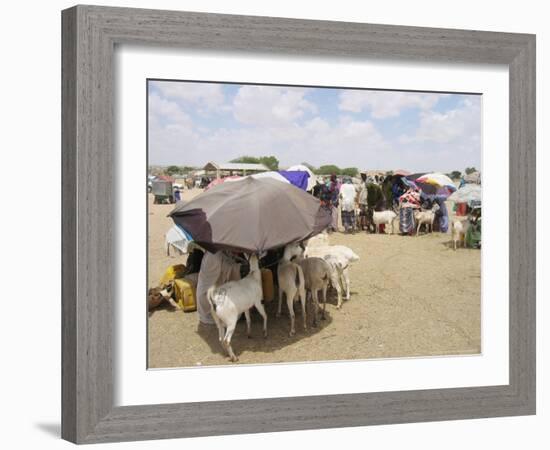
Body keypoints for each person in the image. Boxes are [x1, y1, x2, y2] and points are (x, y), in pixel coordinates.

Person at [196, 250, 241, 325]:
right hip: (207, 299)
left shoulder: (217, 252)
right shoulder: (214, 256)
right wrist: (240, 267)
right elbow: (228, 269)